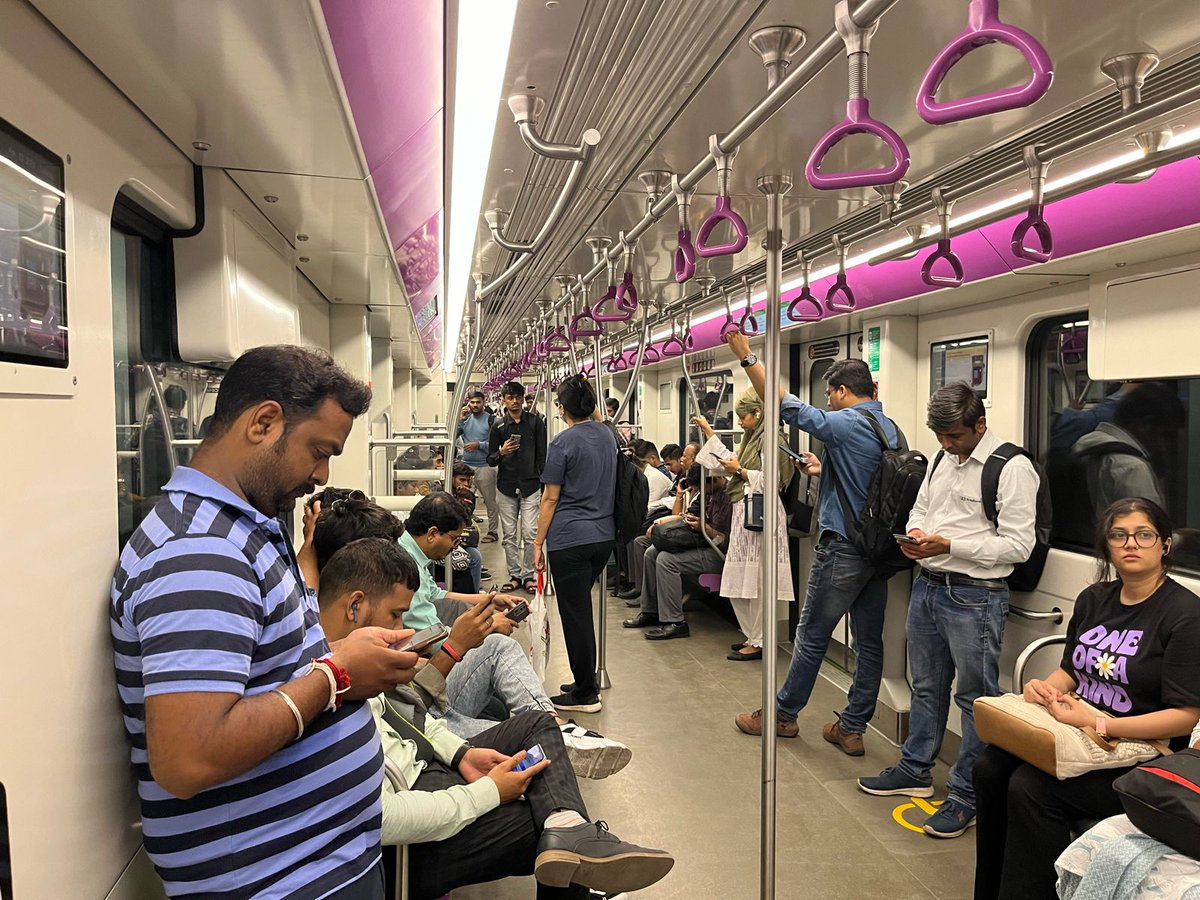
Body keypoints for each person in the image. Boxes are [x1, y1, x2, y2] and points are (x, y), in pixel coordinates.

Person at [110, 345, 419, 899]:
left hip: (314, 862)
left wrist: (344, 656)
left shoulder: (248, 530)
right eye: (319, 452)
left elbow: (267, 671)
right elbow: (189, 756)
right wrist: (336, 676)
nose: (322, 475)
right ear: (264, 422)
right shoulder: (200, 553)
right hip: (276, 880)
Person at [316, 537, 674, 899]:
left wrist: (461, 754)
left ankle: (567, 822)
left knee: (536, 730)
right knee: (543, 832)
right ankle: (569, 836)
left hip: (424, 767)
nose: (404, 627)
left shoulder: (354, 660)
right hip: (400, 844)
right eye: (396, 615)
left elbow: (409, 718)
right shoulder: (325, 687)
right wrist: (487, 793)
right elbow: (385, 817)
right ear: (355, 606)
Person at [304, 491, 631, 777]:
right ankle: (554, 732)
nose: (398, 624)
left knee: (519, 714)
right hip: (428, 718)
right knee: (521, 706)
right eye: (395, 615)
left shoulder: (347, 613)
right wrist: (461, 643)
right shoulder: (351, 640)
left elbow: (435, 604)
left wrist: (486, 606)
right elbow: (416, 709)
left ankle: (554, 732)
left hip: (427, 708)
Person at [974, 497, 1200, 900]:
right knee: (989, 767)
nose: (1131, 544)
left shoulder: (1185, 614)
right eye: (1119, 535)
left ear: (1164, 544)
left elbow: (1185, 717)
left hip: (1144, 750)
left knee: (1031, 788)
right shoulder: (1095, 598)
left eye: (1144, 534)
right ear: (1107, 546)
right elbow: (1073, 672)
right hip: (1082, 731)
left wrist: (1098, 724)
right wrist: (1045, 688)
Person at [857, 383, 1040, 838]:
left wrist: (950, 544)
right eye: (940, 437)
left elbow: (1018, 545)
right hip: (929, 585)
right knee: (926, 686)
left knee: (974, 697)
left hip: (975, 595)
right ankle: (916, 767)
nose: (946, 446)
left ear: (980, 424)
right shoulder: (941, 458)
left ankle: (966, 794)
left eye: (955, 437)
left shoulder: (1012, 468)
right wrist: (918, 534)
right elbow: (922, 507)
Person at [726, 332, 897, 726]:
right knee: (869, 643)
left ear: (841, 391)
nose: (828, 403)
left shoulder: (848, 422)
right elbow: (869, 480)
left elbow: (787, 406)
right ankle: (852, 727)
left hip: (843, 550)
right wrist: (821, 469)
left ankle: (782, 715)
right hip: (876, 550)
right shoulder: (887, 426)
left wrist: (748, 357)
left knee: (812, 634)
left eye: (830, 395)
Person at [533, 375, 617, 714]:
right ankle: (585, 679)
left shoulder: (562, 444)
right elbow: (597, 418)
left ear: (562, 408)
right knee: (581, 610)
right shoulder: (607, 435)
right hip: (604, 538)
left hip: (570, 539)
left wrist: (537, 542)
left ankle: (585, 693)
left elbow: (550, 499)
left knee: (576, 616)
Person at [694, 382, 794, 661]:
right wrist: (710, 434)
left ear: (759, 413)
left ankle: (761, 641)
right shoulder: (753, 439)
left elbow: (771, 481)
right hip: (746, 514)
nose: (739, 421)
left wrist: (739, 470)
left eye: (744, 416)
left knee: (759, 584)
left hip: (763, 516)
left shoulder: (773, 441)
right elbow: (734, 463)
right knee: (741, 583)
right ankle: (752, 635)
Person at [622, 466, 731, 639]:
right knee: (652, 552)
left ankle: (675, 622)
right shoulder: (706, 493)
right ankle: (651, 611)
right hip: (703, 544)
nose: (702, 492)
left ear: (714, 480)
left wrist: (705, 528)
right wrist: (692, 521)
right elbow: (685, 515)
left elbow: (727, 540)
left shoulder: (730, 498)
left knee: (666, 560)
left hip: (720, 552)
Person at [489, 381, 548, 593]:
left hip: (531, 484)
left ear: (523, 399)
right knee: (510, 534)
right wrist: (501, 453)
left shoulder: (535, 423)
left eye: (518, 397)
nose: (514, 401)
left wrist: (545, 483)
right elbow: (490, 459)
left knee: (531, 532)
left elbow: (542, 454)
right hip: (506, 486)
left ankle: (529, 575)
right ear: (503, 399)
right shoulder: (498, 426)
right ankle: (514, 574)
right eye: (510, 397)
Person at [458, 390, 499, 543]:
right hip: (466, 467)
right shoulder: (465, 420)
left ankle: (493, 531)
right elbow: (452, 437)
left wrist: (479, 445)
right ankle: (462, 530)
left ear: (484, 402)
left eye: (478, 402)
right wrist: (460, 421)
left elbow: (496, 446)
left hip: (485, 466)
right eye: (472, 402)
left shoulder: (492, 421)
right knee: (462, 501)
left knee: (490, 501)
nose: (475, 405)